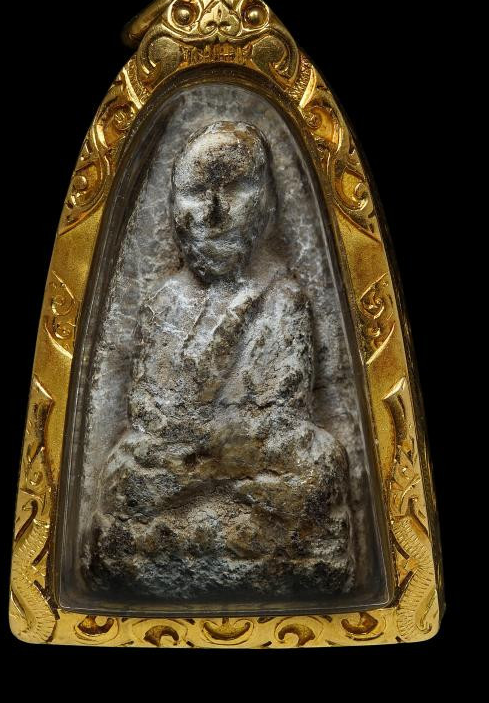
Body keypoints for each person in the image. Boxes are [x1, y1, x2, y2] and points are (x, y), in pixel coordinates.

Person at [85, 121, 354, 602]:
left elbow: (284, 420)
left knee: (321, 466)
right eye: (195, 193)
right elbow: (147, 415)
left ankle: (195, 543)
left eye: (233, 188)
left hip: (248, 467)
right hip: (190, 468)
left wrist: (206, 445)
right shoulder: (164, 303)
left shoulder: (283, 298)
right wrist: (208, 445)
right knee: (122, 472)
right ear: (173, 207)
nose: (213, 211)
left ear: (267, 205)